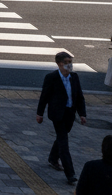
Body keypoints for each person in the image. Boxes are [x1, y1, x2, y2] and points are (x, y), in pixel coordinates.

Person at [37, 51, 88, 185]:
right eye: (67, 63)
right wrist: (39, 113)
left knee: (62, 137)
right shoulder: (51, 77)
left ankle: (53, 158)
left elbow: (79, 97)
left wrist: (82, 114)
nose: (70, 65)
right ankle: (70, 173)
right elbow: (44, 97)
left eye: (70, 62)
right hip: (57, 114)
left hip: (70, 114)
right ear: (59, 64)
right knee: (64, 143)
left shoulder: (74, 77)